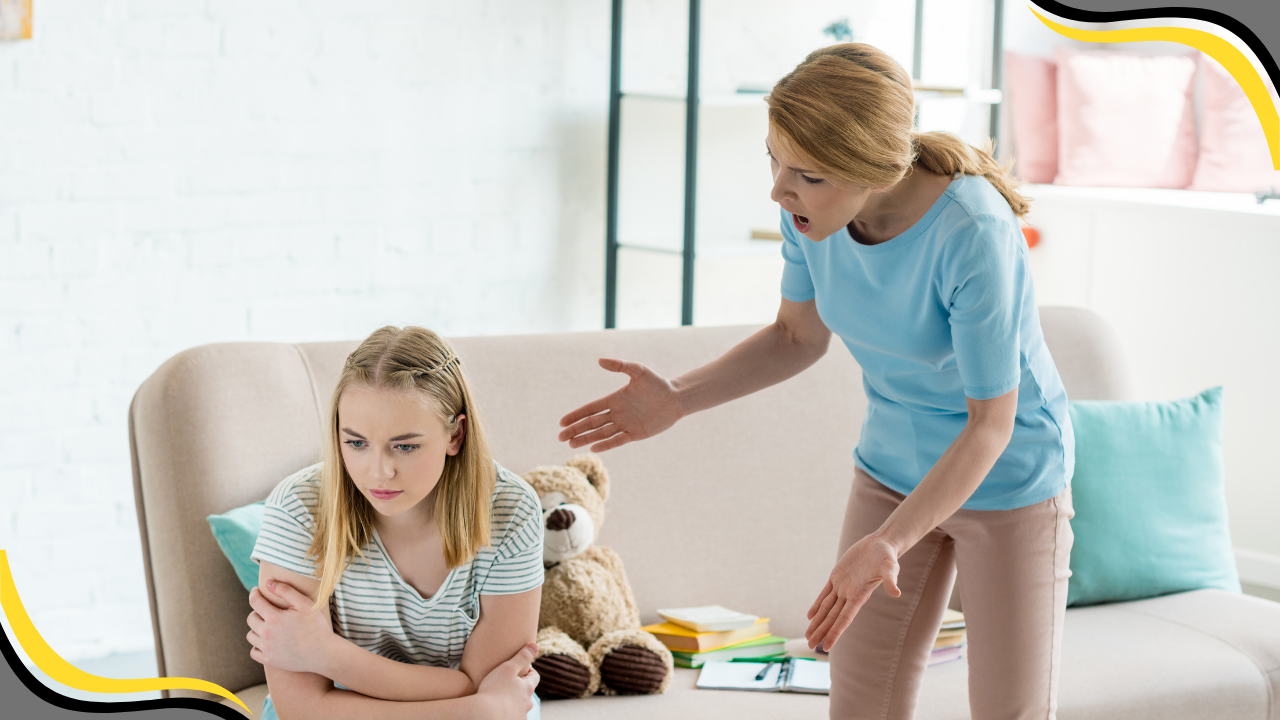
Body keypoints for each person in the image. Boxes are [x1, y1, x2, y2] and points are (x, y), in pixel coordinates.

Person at [558, 43, 1075, 720]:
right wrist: (678, 400)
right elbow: (796, 338)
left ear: (877, 168)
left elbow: (990, 425)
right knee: (861, 705)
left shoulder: (971, 230)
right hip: (891, 469)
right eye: (773, 159)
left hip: (1008, 481)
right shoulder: (810, 212)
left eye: (805, 174)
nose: (779, 189)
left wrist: (889, 542)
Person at [245, 326, 545, 720]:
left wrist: (328, 655)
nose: (379, 472)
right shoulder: (299, 508)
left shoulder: (511, 510)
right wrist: (472, 708)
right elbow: (301, 709)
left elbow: (487, 682)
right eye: (356, 443)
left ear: (456, 435)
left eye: (405, 446)